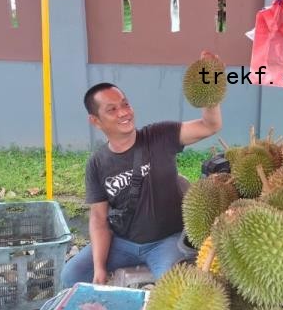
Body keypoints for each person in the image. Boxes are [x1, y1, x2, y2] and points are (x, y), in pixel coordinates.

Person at [61, 75, 222, 287]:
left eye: (125, 104)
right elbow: (99, 219)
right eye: (112, 109)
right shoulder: (97, 163)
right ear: (95, 121)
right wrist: (99, 267)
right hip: (121, 243)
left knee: (175, 289)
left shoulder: (160, 136)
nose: (124, 112)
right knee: (71, 275)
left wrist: (208, 81)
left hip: (167, 241)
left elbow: (210, 125)